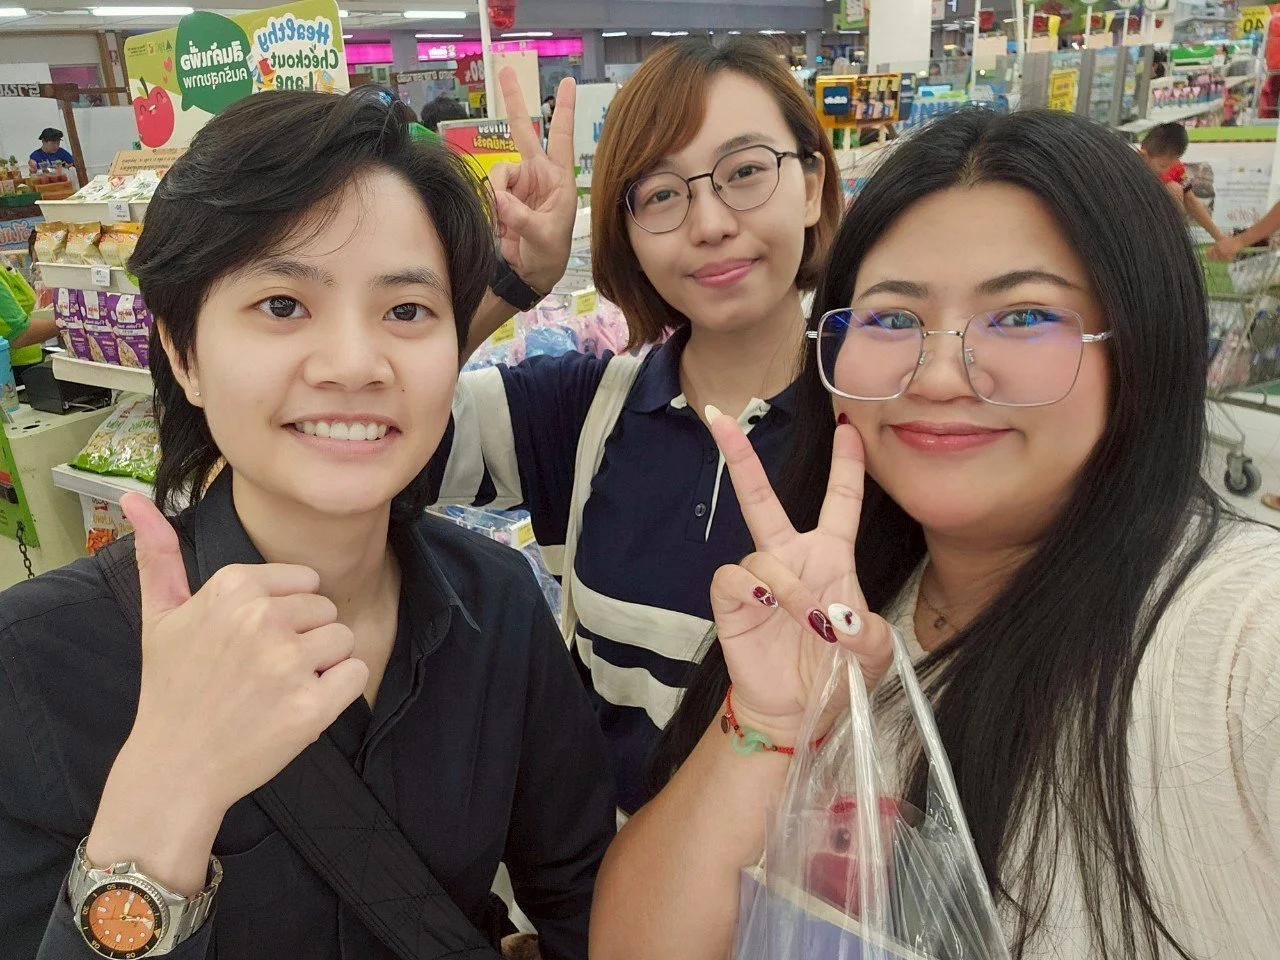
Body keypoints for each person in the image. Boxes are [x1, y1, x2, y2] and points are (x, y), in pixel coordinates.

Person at [591, 109, 1280, 960]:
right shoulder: (830, 613)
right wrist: (767, 721)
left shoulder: (1242, 641)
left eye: (1023, 317)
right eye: (888, 319)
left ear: (1140, 345)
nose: (942, 373)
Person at [0, 87, 614, 959]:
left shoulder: (499, 606)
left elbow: (578, 891)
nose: (355, 365)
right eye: (283, 304)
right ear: (184, 353)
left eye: (407, 311)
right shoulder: (37, 661)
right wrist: (167, 785)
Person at [435, 37, 843, 814]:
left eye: (747, 172)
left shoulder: (884, 429)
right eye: (661, 193)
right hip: (602, 900)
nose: (711, 222)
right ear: (625, 229)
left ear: (814, 183)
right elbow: (372, 431)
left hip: (800, 918)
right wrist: (510, 284)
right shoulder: (579, 415)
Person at [1138, 122, 1227, 244]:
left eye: (1173, 163)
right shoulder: (1130, 168)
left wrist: (1219, 238)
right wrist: (1164, 186)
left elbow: (1190, 200)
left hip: (1163, 234)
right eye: (1163, 165)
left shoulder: (1176, 168)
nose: (1168, 169)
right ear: (1143, 155)